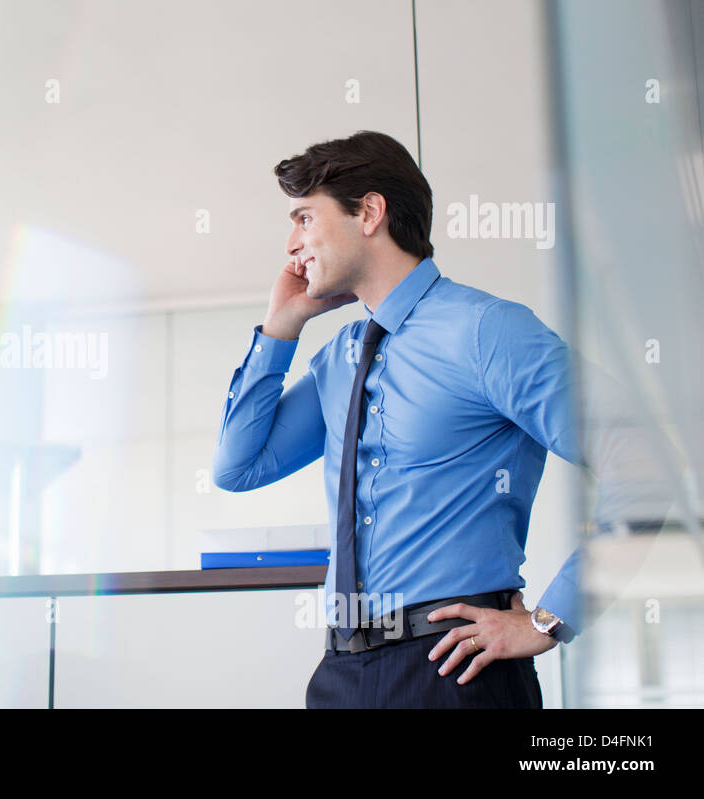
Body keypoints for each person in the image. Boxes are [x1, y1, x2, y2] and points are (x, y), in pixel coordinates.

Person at [211, 130, 581, 708]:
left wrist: (548, 621)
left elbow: (643, 462)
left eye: (305, 218)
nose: (292, 244)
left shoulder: (487, 331)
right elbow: (238, 467)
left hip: (455, 668)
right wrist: (280, 328)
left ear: (370, 213)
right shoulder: (341, 358)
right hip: (341, 673)